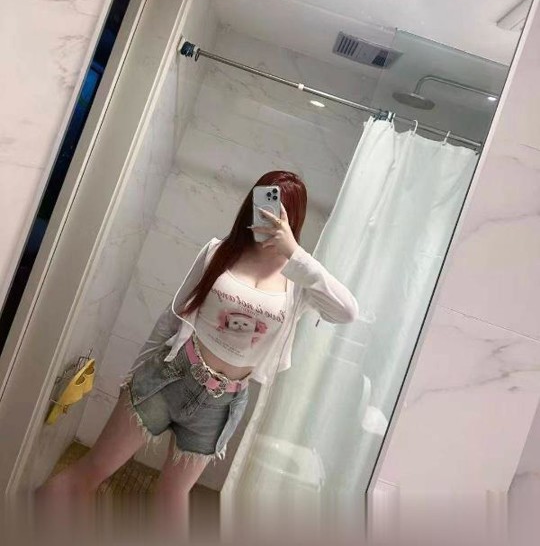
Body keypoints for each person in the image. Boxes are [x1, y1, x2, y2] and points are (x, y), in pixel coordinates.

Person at [36, 170, 359, 533]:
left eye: (279, 211)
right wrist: (137, 374)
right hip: (170, 375)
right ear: (251, 204)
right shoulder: (220, 251)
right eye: (263, 203)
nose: (268, 216)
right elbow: (173, 315)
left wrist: (294, 252)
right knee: (95, 469)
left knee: (172, 498)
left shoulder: (299, 280)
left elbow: (346, 312)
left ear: (293, 218)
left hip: (222, 403)